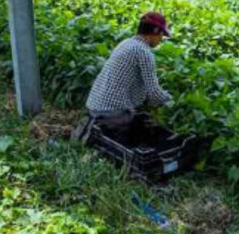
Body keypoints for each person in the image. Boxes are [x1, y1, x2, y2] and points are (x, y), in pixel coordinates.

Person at [72, 12, 173, 144]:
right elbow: (153, 93)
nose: (161, 39)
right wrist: (172, 102)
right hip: (112, 113)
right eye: (161, 35)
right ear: (154, 32)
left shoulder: (126, 43)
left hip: (94, 108)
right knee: (135, 132)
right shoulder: (144, 52)